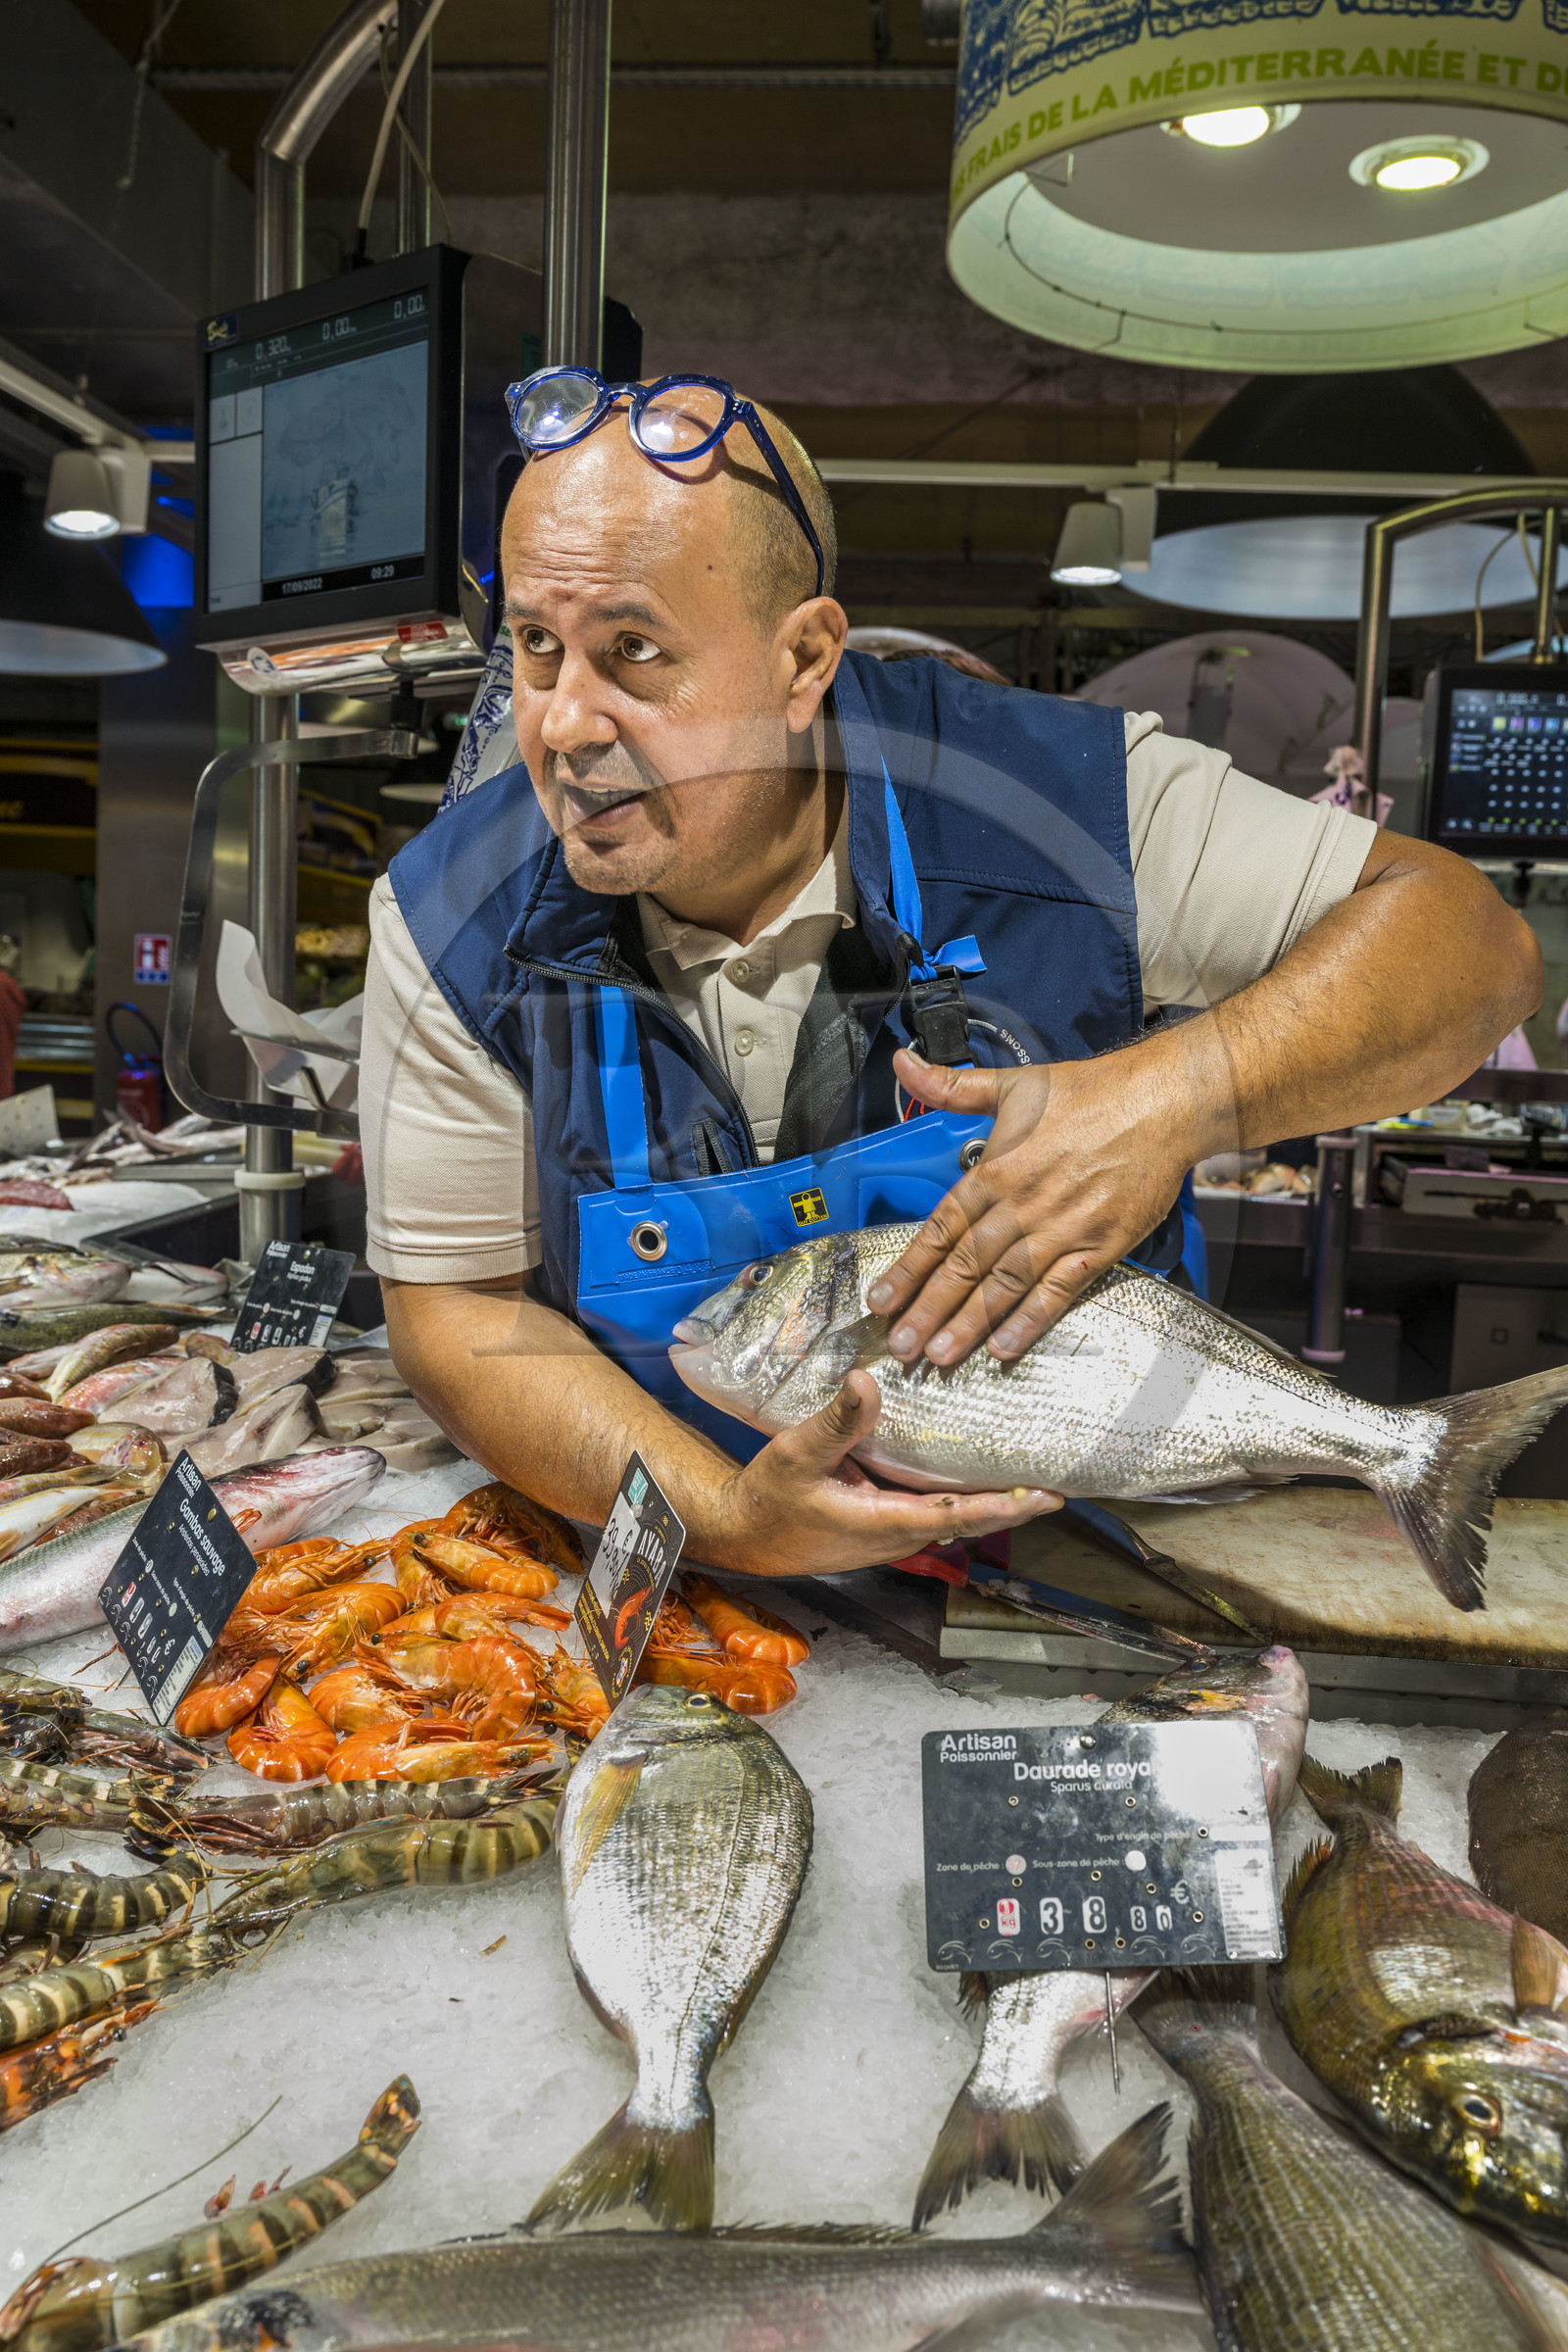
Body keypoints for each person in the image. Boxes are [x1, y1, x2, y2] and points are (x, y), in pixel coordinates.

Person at [361, 368, 1541, 1580]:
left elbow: (1471, 945)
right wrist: (730, 1519)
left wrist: (1173, 1094)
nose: (562, 723)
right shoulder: (446, 912)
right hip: (689, 1586)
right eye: (539, 647)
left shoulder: (1063, 803)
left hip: (1087, 1583)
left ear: (805, 657)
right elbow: (458, 1313)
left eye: (635, 651)